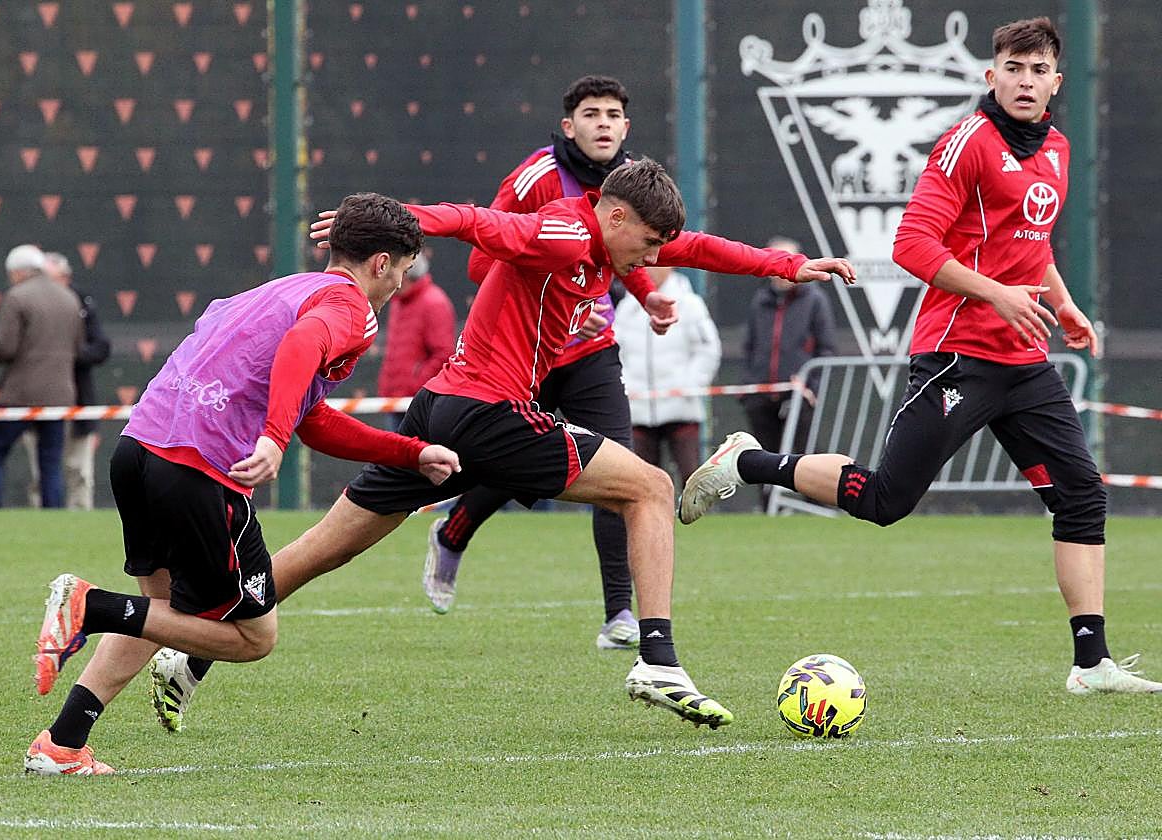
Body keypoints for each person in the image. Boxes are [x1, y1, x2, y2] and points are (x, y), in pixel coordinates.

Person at [146, 158, 857, 735]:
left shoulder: (610, 246)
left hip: (446, 408)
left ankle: (192, 654)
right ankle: (657, 658)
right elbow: (475, 221)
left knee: (332, 543)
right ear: (613, 217)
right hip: (491, 413)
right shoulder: (562, 234)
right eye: (644, 241)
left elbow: (698, 248)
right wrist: (392, 226)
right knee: (650, 488)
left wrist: (787, 266)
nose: (652, 258)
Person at [679, 17, 1162, 695]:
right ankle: (748, 461)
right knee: (885, 500)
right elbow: (911, 246)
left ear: (1056, 81)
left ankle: (1091, 665)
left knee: (1081, 495)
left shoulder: (1055, 146)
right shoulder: (966, 143)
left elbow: (1032, 239)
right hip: (957, 352)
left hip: (1023, 358)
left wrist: (1063, 300)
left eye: (1038, 69)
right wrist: (995, 294)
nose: (1025, 81)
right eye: (1013, 68)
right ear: (990, 76)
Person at [23, 193, 462, 775]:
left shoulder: (273, 291)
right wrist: (272, 438)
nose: (398, 287)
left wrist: (409, 452)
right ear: (381, 263)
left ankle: (61, 745)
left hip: (137, 450)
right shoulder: (347, 306)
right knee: (252, 638)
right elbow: (304, 352)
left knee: (159, 610)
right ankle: (91, 605)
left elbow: (315, 418)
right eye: (403, 272)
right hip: (200, 470)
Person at [422, 75, 673, 652]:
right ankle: (453, 533)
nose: (604, 123)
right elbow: (484, 261)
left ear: (626, 127)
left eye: (614, 114)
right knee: (503, 467)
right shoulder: (535, 177)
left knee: (623, 471)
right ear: (569, 126)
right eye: (591, 113)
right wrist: (555, 302)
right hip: (526, 354)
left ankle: (619, 614)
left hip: (590, 354)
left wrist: (644, 293)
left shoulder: (632, 183)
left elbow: (624, 249)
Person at [0, 245, 83, 508]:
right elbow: (78, 345)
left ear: (19, 272)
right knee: (50, 461)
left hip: (20, 393)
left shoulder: (17, 297)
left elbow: (6, 347)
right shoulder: (68, 297)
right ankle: (53, 516)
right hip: (60, 393)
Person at [740, 236, 836, 508]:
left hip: (799, 396)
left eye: (788, 261)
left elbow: (826, 350)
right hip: (760, 395)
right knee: (762, 457)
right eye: (776, 261)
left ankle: (820, 507)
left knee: (804, 456)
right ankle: (770, 510)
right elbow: (750, 346)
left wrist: (811, 388)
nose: (782, 270)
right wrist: (749, 386)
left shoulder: (815, 300)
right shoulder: (760, 301)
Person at [615, 265, 721, 485]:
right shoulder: (627, 306)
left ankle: (696, 520)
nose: (650, 269)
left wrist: (689, 386)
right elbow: (616, 351)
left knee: (693, 479)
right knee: (642, 482)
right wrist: (626, 389)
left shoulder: (690, 303)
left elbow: (708, 349)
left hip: (682, 407)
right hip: (638, 409)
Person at [24, 251, 112, 510]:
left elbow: (101, 348)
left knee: (79, 472)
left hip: (78, 401)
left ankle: (79, 523)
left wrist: (66, 355)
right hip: (38, 401)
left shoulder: (82, 303)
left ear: (66, 278)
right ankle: (38, 525)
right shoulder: (27, 302)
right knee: (39, 473)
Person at [376, 252, 457, 431]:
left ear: (407, 275)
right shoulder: (398, 301)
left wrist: (416, 385)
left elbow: (444, 353)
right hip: (395, 400)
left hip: (417, 403)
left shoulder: (434, 303)